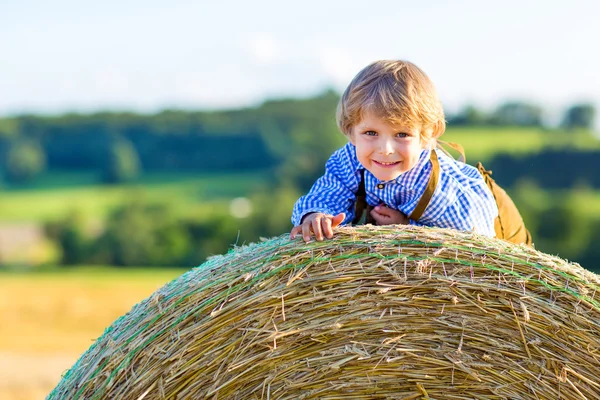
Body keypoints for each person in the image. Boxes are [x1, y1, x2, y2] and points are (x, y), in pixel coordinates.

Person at [290, 60, 498, 242]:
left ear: (427, 134)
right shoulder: (350, 159)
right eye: (371, 133)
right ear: (350, 131)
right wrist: (317, 215)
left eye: (402, 135)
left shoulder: (439, 189)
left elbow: (476, 239)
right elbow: (329, 191)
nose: (386, 150)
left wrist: (407, 227)